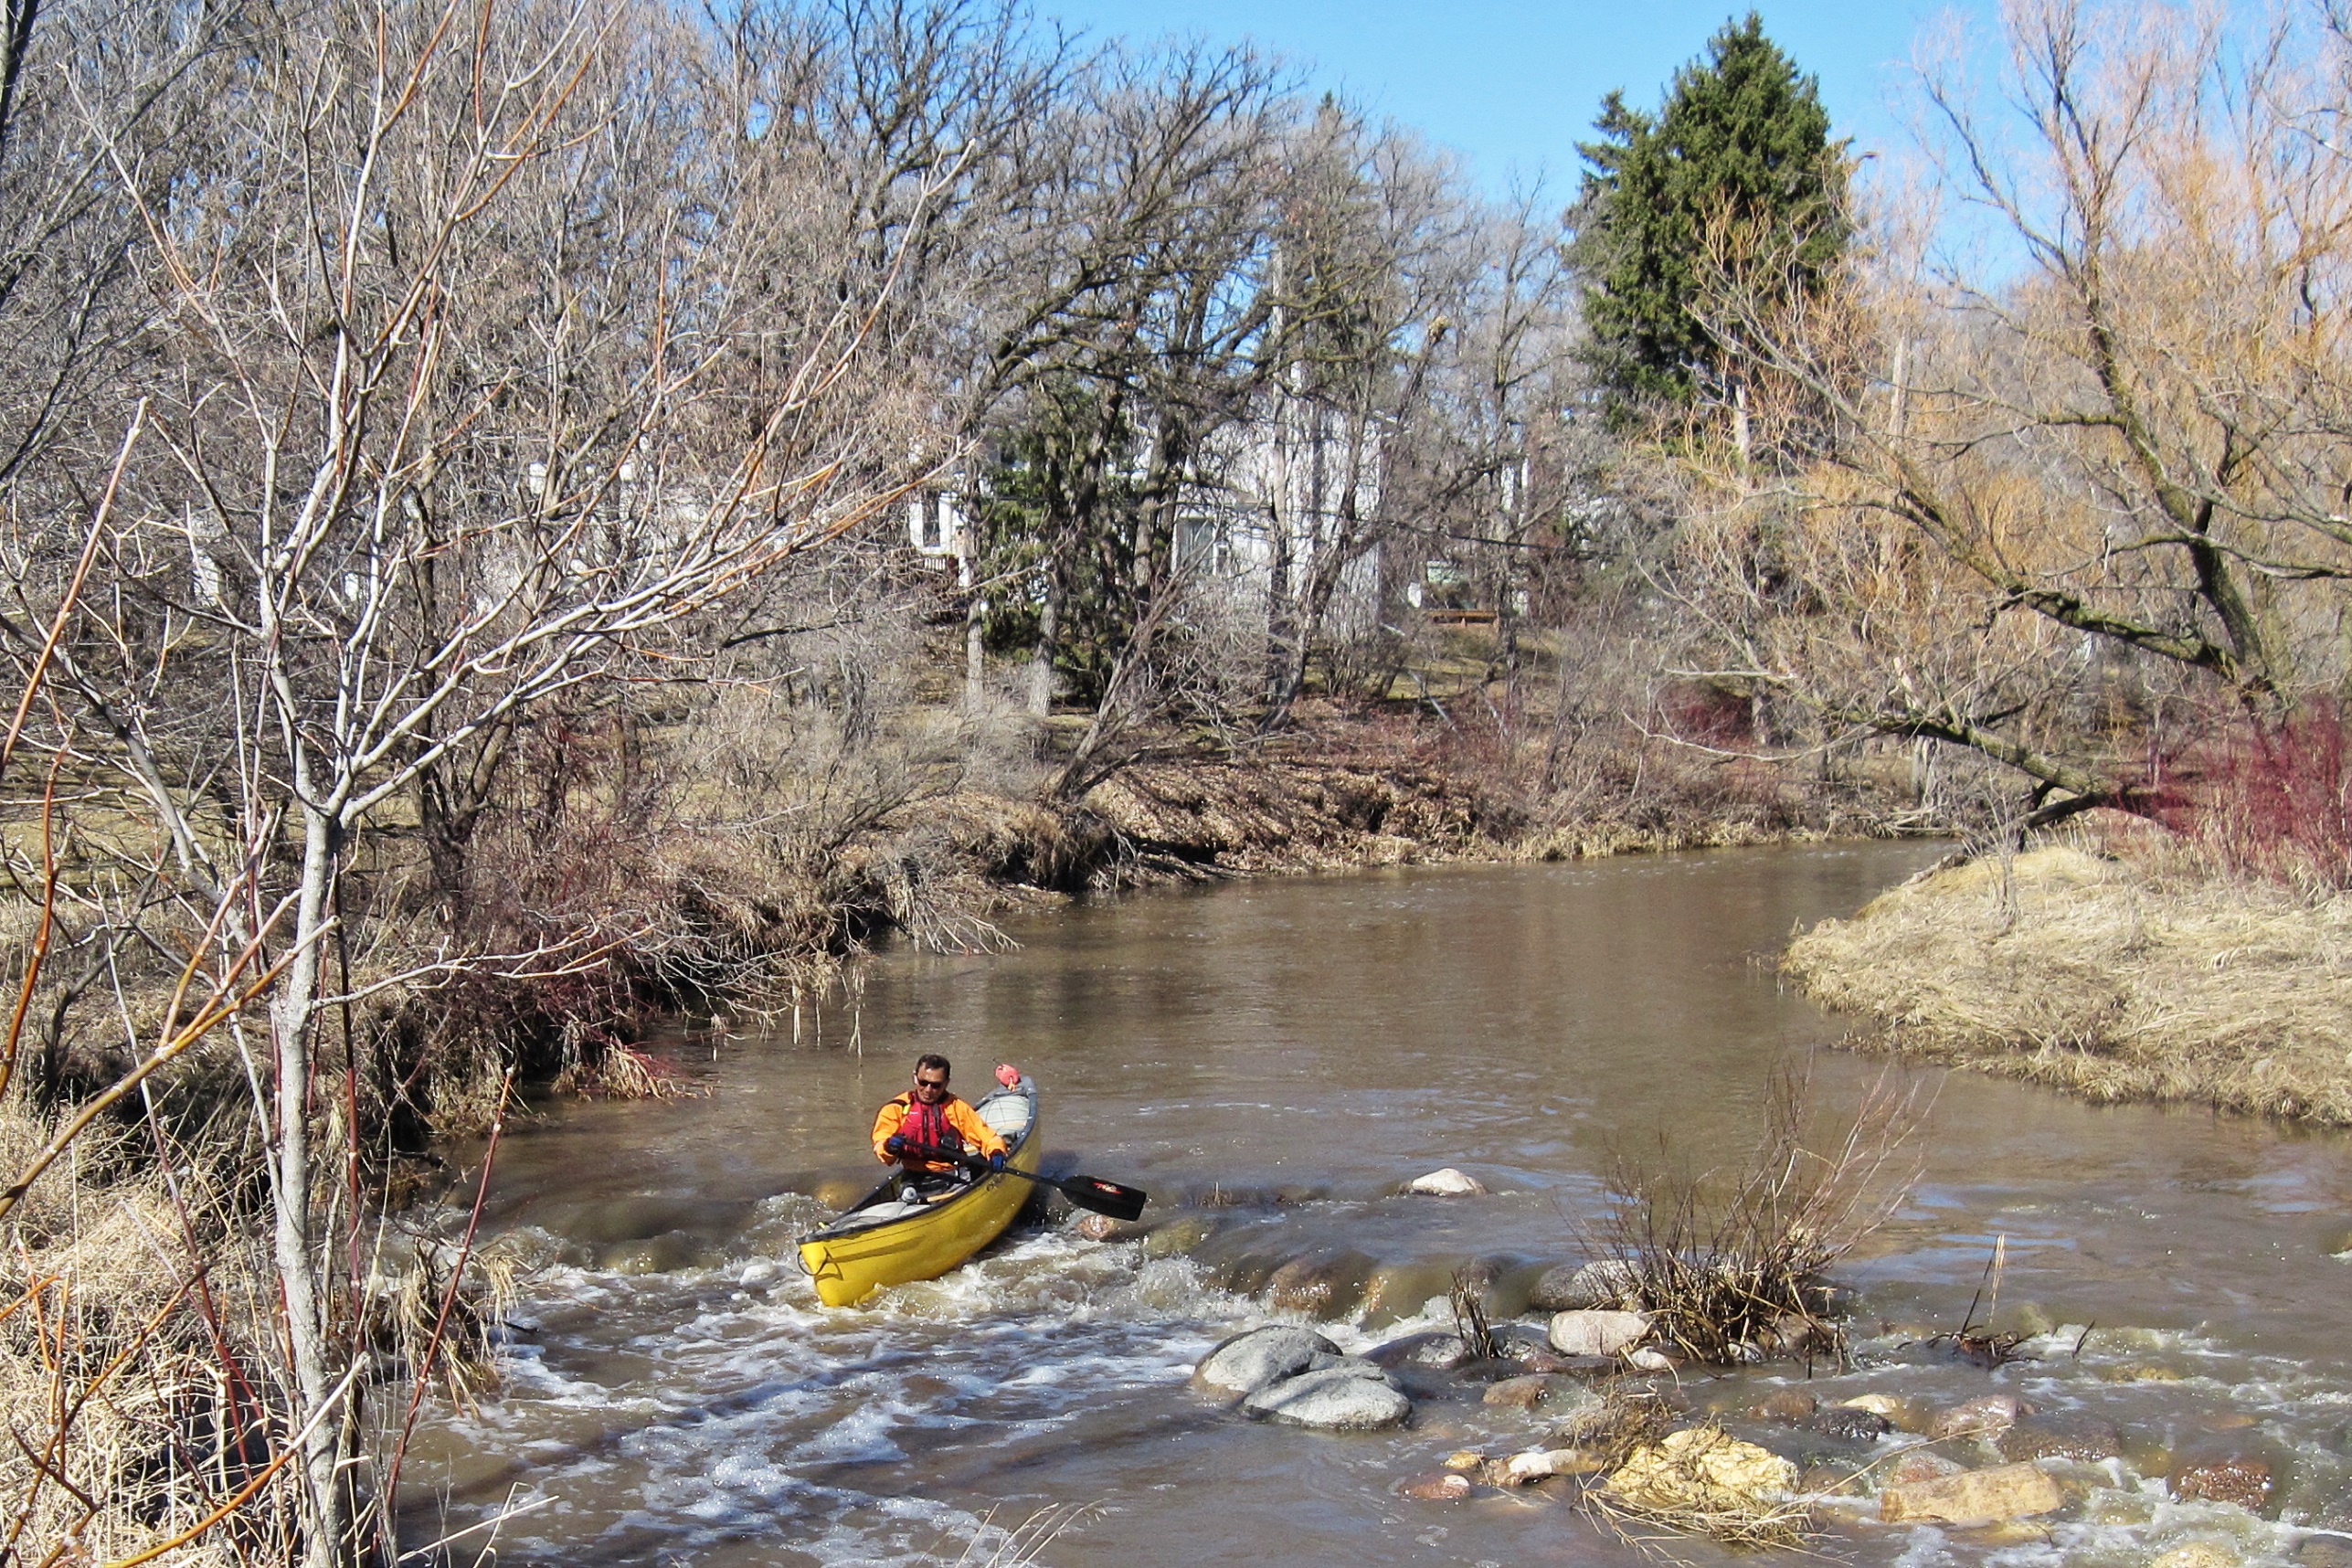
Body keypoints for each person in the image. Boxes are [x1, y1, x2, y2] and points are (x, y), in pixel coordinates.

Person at [872, 1054, 1008, 1181]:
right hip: (913, 1176)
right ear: (915, 1077)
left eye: (936, 1085)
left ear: (946, 1083)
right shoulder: (897, 1108)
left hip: (953, 1174)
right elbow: (881, 1148)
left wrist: (996, 1152)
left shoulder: (955, 1108)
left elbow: (988, 1138)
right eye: (923, 1082)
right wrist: (889, 1147)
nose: (928, 1090)